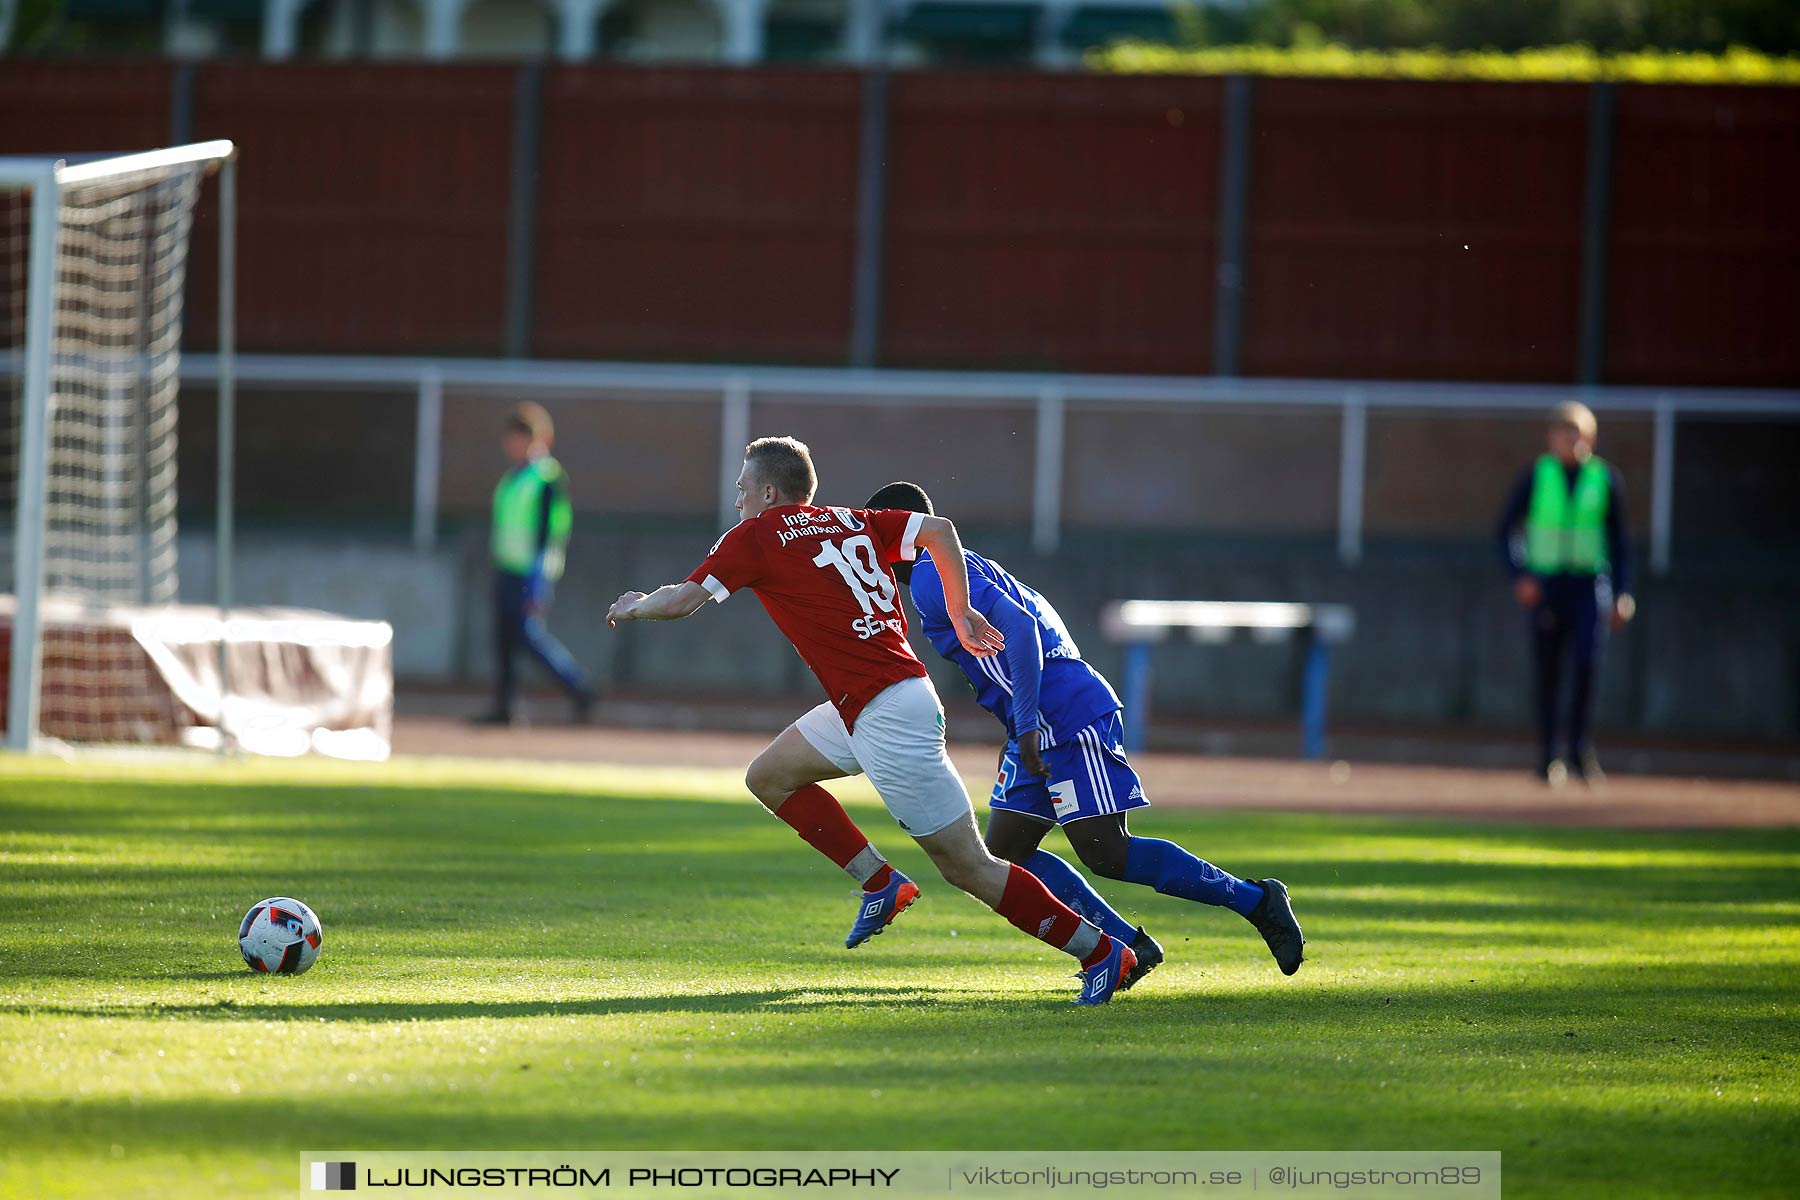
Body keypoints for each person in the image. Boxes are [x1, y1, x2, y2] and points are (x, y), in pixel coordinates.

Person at [606, 436, 1137, 1005]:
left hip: (886, 713)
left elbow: (684, 599)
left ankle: (1101, 952)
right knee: (769, 776)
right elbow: (940, 531)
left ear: (767, 491)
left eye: (742, 490)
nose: (738, 502)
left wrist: (634, 604)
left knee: (969, 867)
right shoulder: (854, 521)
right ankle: (880, 881)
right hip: (874, 700)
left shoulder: (756, 535)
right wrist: (961, 611)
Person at [863, 481, 1306, 987]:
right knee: (1007, 851)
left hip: (1062, 718)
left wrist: (1028, 723)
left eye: (874, 531)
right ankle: (1127, 947)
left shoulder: (929, 575)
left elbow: (1024, 630)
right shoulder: (955, 566)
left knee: (1106, 853)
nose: (868, 546)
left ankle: (1257, 901)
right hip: (1044, 717)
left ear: (897, 527)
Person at [1497, 401, 1635, 784]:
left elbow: (1620, 541)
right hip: (1547, 585)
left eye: (1575, 432)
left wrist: (1623, 591)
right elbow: (1505, 528)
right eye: (1561, 432)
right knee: (1548, 670)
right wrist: (1520, 575)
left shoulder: (1605, 479)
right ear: (1550, 438)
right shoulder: (1536, 476)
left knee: (1587, 666)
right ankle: (1547, 756)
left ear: (1589, 437)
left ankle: (1579, 751)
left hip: (1589, 584)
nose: (1568, 440)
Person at [473, 403, 595, 726]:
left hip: (530, 572)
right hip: (507, 568)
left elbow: (548, 532)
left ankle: (578, 687)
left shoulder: (546, 478)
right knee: (504, 639)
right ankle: (506, 707)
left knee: (529, 638)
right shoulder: (514, 477)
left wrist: (538, 578)